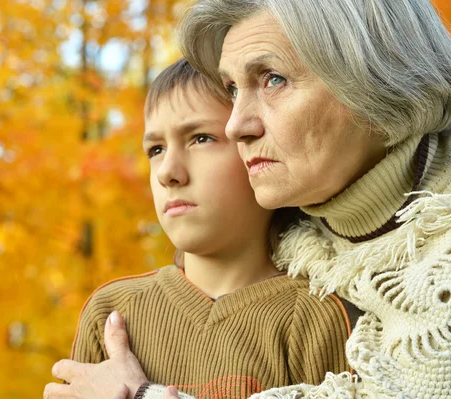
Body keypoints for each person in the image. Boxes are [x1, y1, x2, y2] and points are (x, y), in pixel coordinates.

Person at [45, 0, 451, 398]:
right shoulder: (313, 254)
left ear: (378, 76)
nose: (236, 124)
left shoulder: (336, 303)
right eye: (232, 88)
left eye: (273, 78)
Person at [45, 58, 356, 399]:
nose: (168, 172)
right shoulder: (112, 315)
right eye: (156, 149)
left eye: (201, 138)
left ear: (256, 151)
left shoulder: (317, 317)